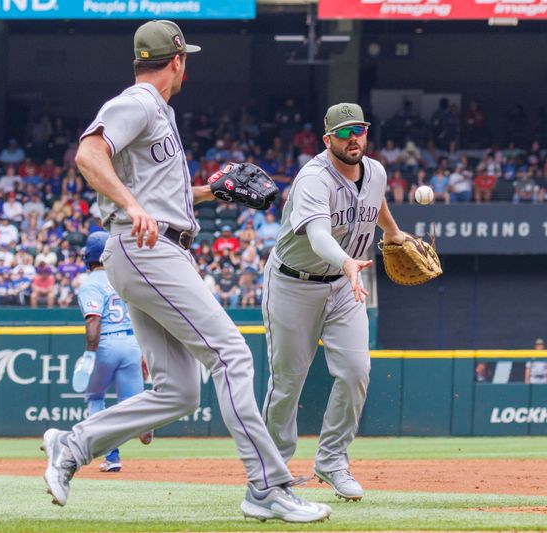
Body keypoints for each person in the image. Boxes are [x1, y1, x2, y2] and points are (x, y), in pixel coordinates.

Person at [41, 20, 330, 523]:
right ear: (177, 61)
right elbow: (89, 154)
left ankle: (72, 444)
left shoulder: (158, 112)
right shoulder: (137, 102)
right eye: (186, 58)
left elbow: (157, 194)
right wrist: (132, 205)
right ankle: (266, 487)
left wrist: (208, 192)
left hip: (153, 247)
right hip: (146, 249)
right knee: (232, 355)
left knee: (179, 391)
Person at [262, 103, 404, 502]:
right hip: (294, 283)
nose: (353, 138)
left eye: (358, 130)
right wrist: (345, 261)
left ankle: (332, 459)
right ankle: (272, 471)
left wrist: (391, 233)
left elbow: (375, 203)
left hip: (345, 285)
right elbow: (320, 235)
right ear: (328, 140)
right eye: (344, 133)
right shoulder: (313, 179)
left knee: (357, 370)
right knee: (287, 384)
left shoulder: (375, 171)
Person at [73, 231, 152, 473]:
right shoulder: (124, 278)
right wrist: (144, 352)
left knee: (96, 398)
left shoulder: (90, 284)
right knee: (132, 404)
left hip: (106, 344)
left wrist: (89, 354)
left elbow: (93, 321)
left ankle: (112, 455)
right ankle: (145, 425)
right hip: (132, 343)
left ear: (88, 257)